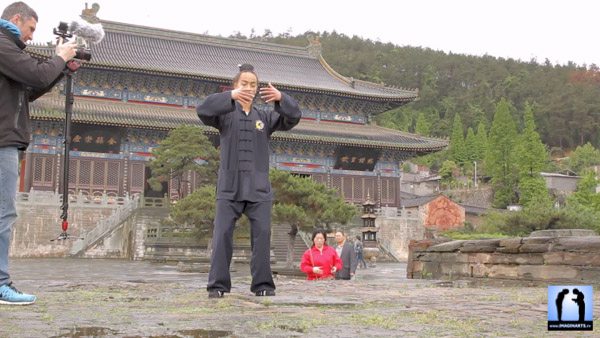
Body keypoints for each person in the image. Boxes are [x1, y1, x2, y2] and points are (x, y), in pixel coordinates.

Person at [196, 64, 301, 298]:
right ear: (235, 86)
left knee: (262, 235)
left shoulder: (265, 117)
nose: (249, 88)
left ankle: (263, 285)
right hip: (229, 187)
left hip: (259, 189)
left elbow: (293, 117)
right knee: (222, 234)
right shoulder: (223, 116)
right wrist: (229, 97)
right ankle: (218, 286)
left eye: (253, 84)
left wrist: (282, 98)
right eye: (244, 84)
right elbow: (202, 110)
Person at [0, 1, 76, 305]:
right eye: (31, 29)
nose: (32, 36)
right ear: (17, 19)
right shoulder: (4, 45)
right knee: (4, 213)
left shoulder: (10, 49)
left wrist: (59, 68)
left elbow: (30, 88)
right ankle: (1, 283)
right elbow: (35, 74)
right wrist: (58, 57)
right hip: (2, 139)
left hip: (6, 138)